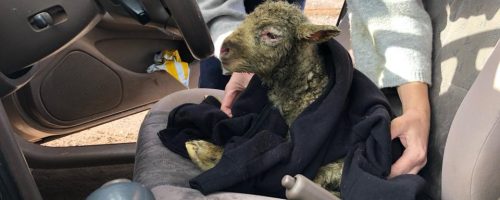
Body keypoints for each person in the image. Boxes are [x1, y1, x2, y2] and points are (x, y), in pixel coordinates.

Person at [197, 0, 432, 179]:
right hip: (227, 22)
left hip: (277, 32)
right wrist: (241, 56)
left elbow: (385, 8)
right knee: (233, 108)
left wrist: (416, 110)